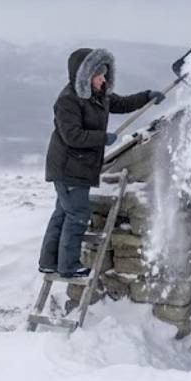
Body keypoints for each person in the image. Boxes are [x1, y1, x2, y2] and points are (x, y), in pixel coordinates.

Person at [40, 48, 163, 278]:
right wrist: (102, 138)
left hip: (79, 168)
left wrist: (147, 96)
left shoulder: (99, 96)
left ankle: (49, 262)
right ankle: (68, 267)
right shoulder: (68, 101)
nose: (103, 80)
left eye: (105, 75)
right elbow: (72, 136)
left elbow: (123, 103)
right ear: (85, 75)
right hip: (69, 168)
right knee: (77, 215)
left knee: (62, 214)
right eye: (99, 75)